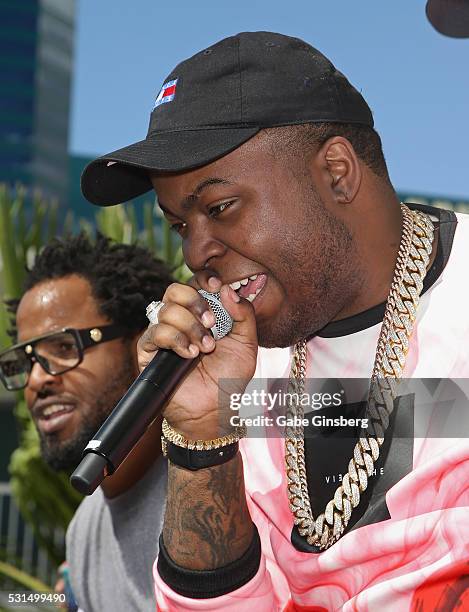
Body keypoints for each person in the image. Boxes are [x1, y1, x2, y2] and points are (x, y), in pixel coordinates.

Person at [81, 32, 469, 611]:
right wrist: (202, 439)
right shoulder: (243, 370)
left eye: (219, 208)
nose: (196, 253)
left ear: (337, 172)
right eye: (181, 225)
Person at [0, 233, 174, 611]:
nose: (36, 381)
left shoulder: (227, 481)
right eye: (25, 362)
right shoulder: (83, 533)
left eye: (64, 348)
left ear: (145, 344)